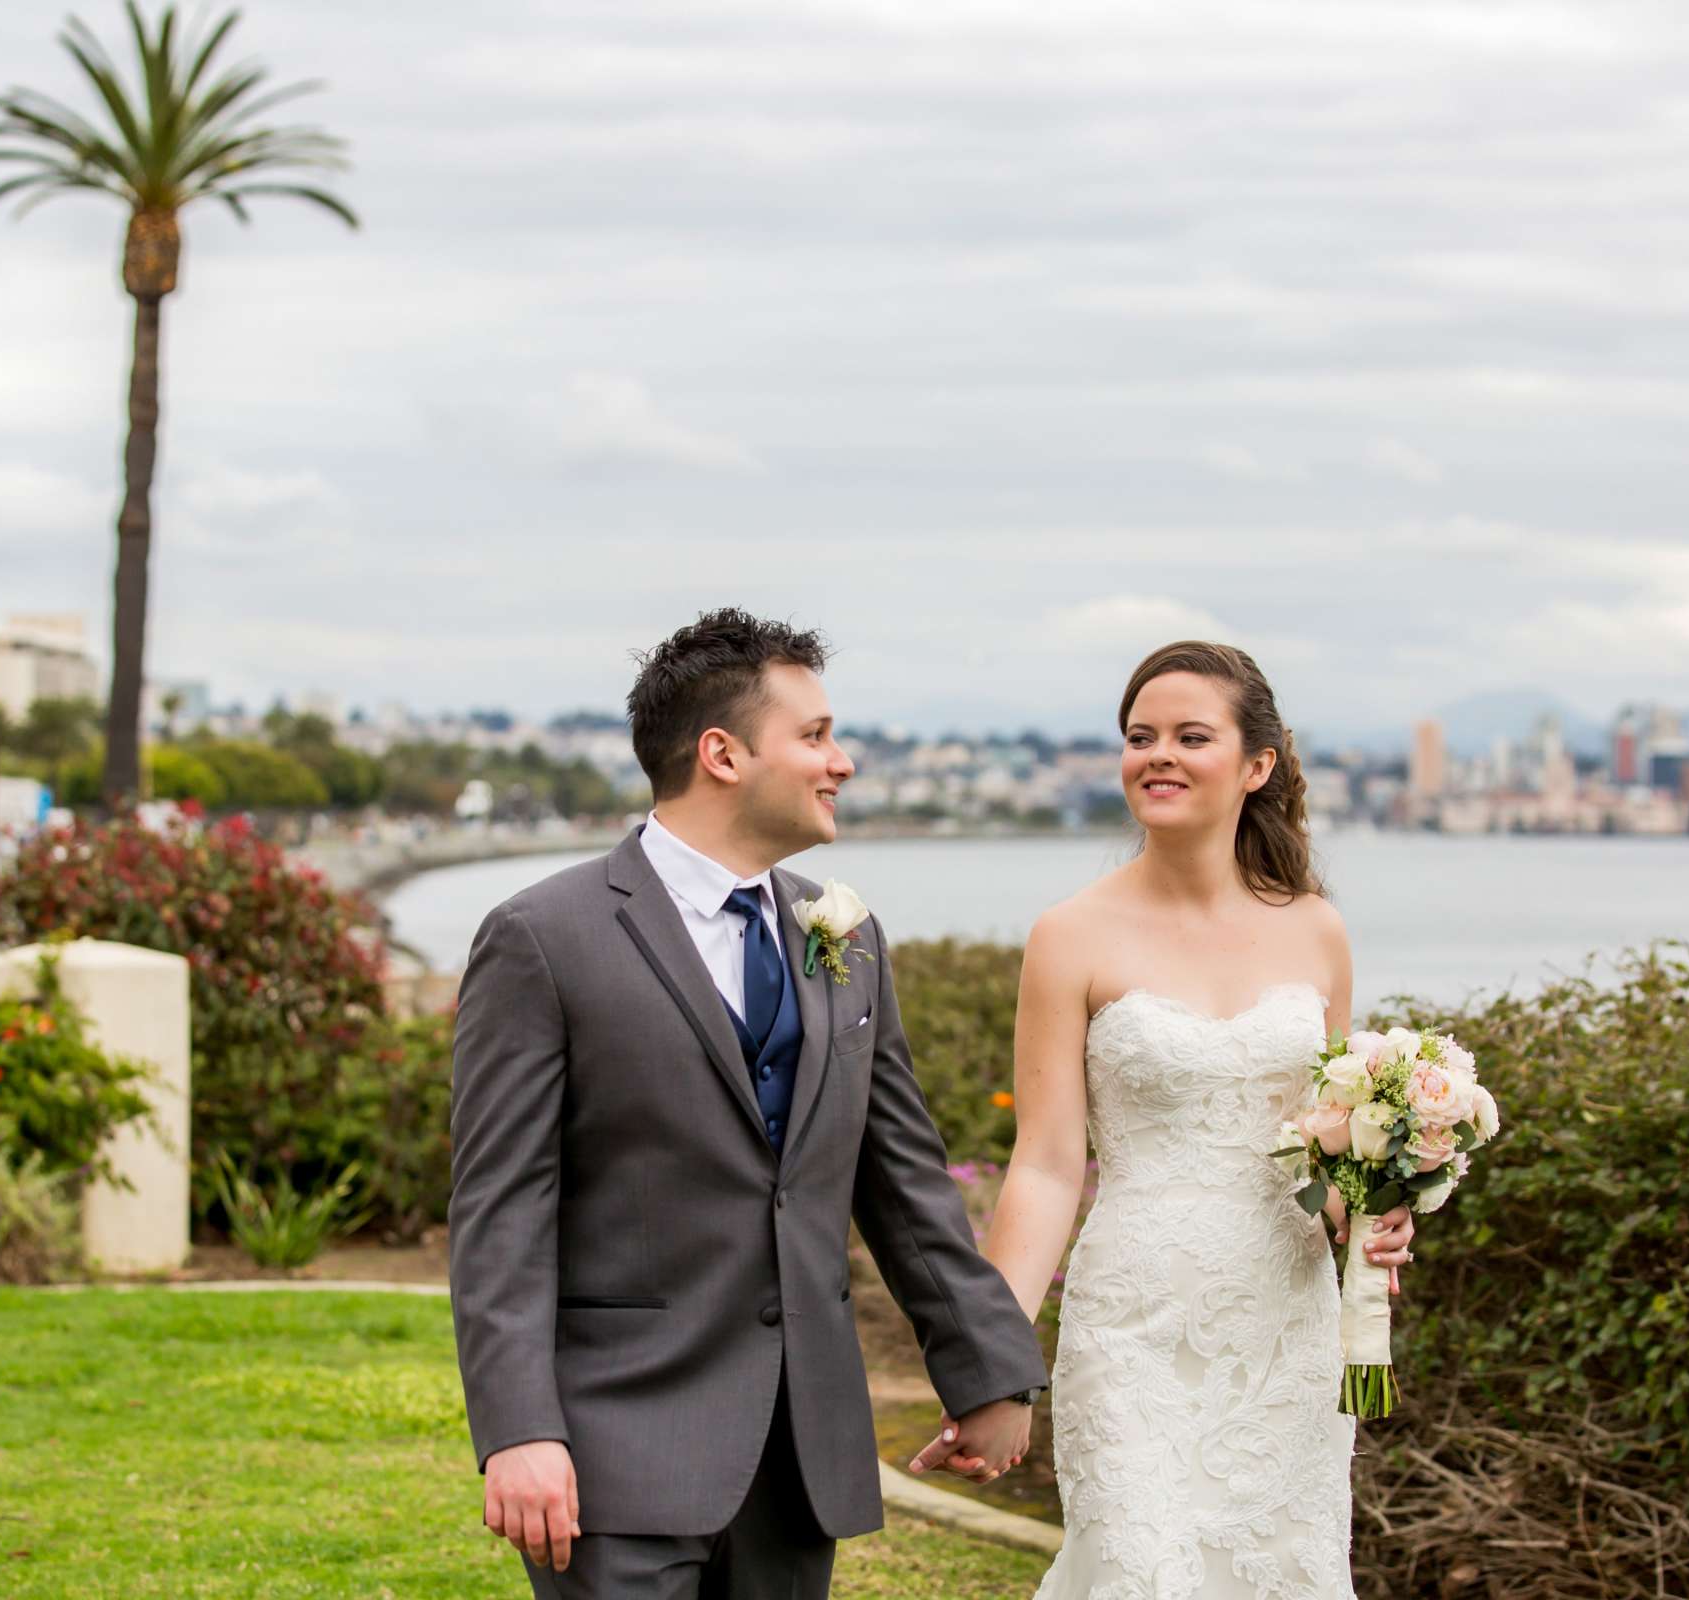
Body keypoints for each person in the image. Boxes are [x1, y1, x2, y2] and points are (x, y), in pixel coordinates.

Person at [447, 608, 1047, 1599]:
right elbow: (499, 1212)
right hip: (614, 1449)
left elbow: (902, 1182)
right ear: (722, 754)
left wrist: (988, 1370)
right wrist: (518, 1429)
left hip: (800, 1456)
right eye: (813, 735)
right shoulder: (543, 939)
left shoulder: (845, 938)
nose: (841, 761)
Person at [968, 639, 1417, 1598]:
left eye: (1189, 736)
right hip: (1135, 1323)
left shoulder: (1316, 928)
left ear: (1256, 766)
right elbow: (1046, 1167)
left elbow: (1327, 1143)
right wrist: (991, 1362)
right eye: (1140, 736)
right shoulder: (1070, 934)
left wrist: (1370, 1214)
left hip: (1287, 1331)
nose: (1157, 755)